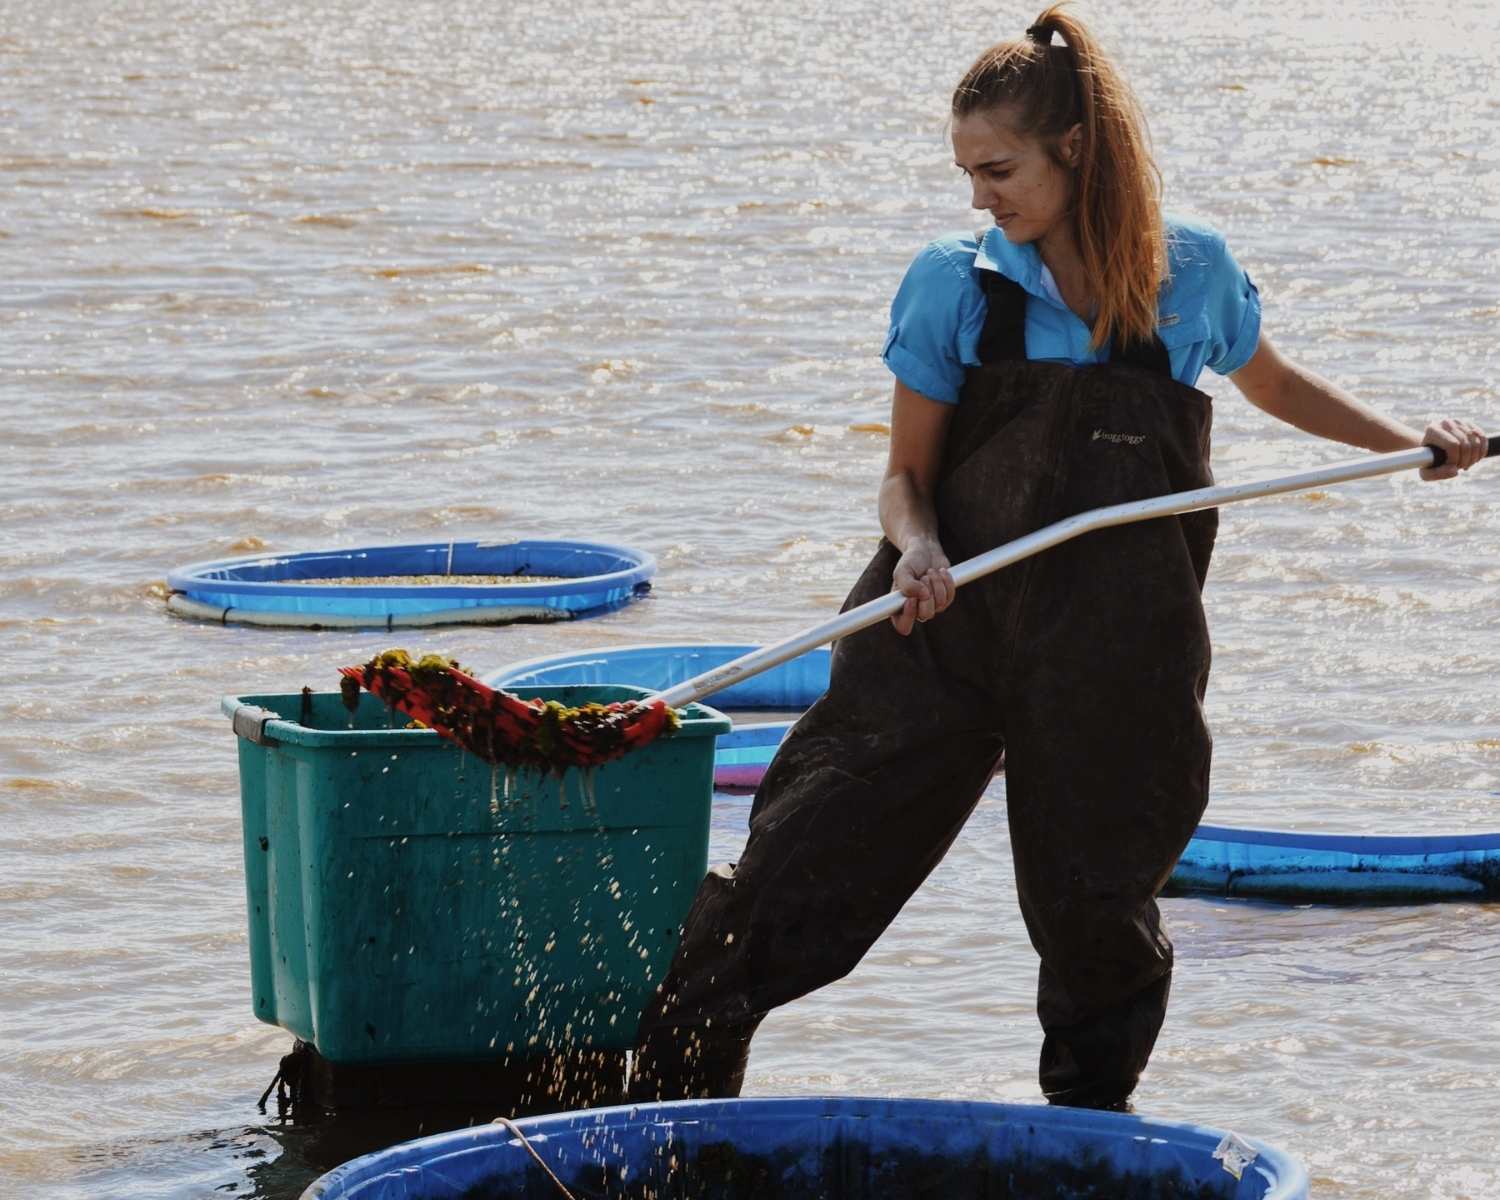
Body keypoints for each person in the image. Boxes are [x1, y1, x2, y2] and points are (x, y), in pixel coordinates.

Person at [627, 4, 1489, 1111]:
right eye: (966, 174)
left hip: (1119, 650)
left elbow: (1275, 383)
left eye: (998, 171)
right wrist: (918, 547)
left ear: (1074, 149)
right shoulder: (953, 282)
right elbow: (904, 478)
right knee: (791, 882)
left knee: (1098, 924)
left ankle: (1088, 1141)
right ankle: (657, 1127)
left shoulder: (1190, 270)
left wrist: (1411, 441)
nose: (977, 198)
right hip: (938, 632)